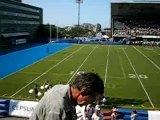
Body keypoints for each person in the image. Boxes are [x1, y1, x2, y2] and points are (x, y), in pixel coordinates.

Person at [30, 72, 104, 120]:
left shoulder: (65, 92)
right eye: (91, 99)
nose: (89, 103)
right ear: (83, 91)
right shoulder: (57, 107)